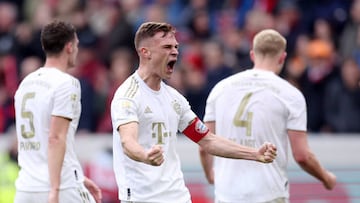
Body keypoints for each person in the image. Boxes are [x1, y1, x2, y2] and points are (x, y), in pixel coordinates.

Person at [110, 22, 277, 203]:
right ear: (145, 52)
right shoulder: (128, 96)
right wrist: (145, 156)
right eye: (167, 47)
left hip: (177, 196)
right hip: (141, 198)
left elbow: (208, 140)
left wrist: (254, 154)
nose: (175, 52)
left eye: (176, 47)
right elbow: (128, 142)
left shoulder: (174, 99)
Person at [199, 29, 337, 203]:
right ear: (282, 57)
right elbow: (302, 155)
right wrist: (326, 177)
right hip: (268, 194)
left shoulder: (220, 89)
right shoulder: (290, 95)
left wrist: (210, 174)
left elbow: (204, 145)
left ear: (252, 55)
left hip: (227, 194)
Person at [13, 20, 102, 203]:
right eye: (77, 45)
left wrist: (80, 178)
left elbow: (39, 136)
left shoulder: (25, 83)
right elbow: (55, 138)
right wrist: (55, 189)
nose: (77, 50)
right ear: (69, 47)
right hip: (59, 186)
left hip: (26, 188)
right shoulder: (66, 83)